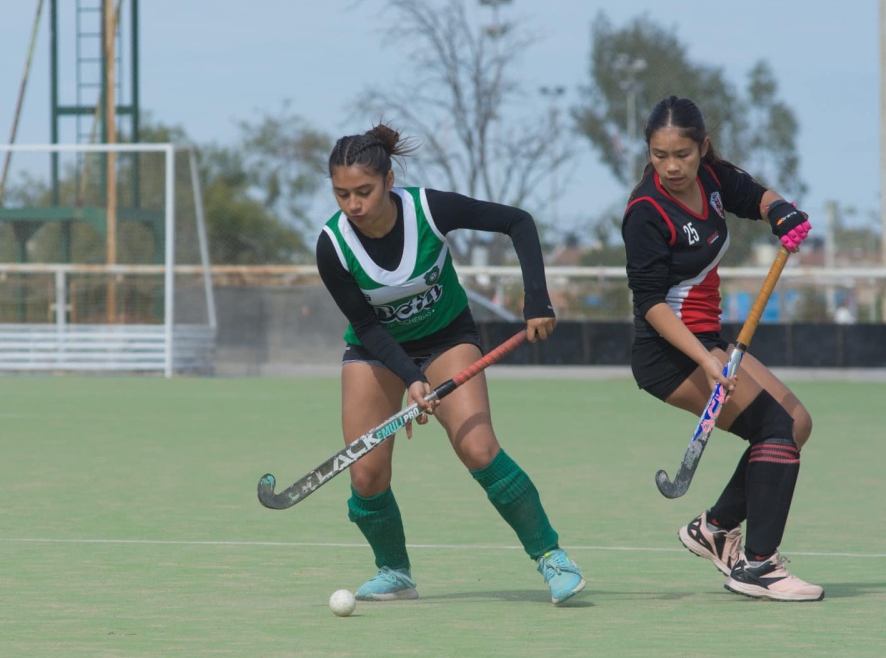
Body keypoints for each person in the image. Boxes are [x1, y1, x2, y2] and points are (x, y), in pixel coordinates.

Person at [316, 123, 585, 605]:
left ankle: (552, 558)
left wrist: (537, 299)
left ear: (388, 181)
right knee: (365, 475)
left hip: (447, 337)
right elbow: (370, 327)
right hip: (376, 350)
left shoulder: (428, 209)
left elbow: (518, 221)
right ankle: (395, 572)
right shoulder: (332, 246)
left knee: (479, 449)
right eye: (341, 194)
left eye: (364, 191)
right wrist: (412, 379)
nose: (353, 204)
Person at [622, 95, 821, 602]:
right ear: (649, 151)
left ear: (702, 148)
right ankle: (758, 566)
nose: (671, 166)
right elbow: (650, 304)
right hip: (669, 353)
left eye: (682, 154)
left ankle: (713, 528)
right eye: (660, 154)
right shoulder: (645, 212)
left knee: (795, 423)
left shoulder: (710, 180)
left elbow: (753, 194)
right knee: (772, 425)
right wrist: (705, 359)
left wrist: (780, 211)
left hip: (710, 340)